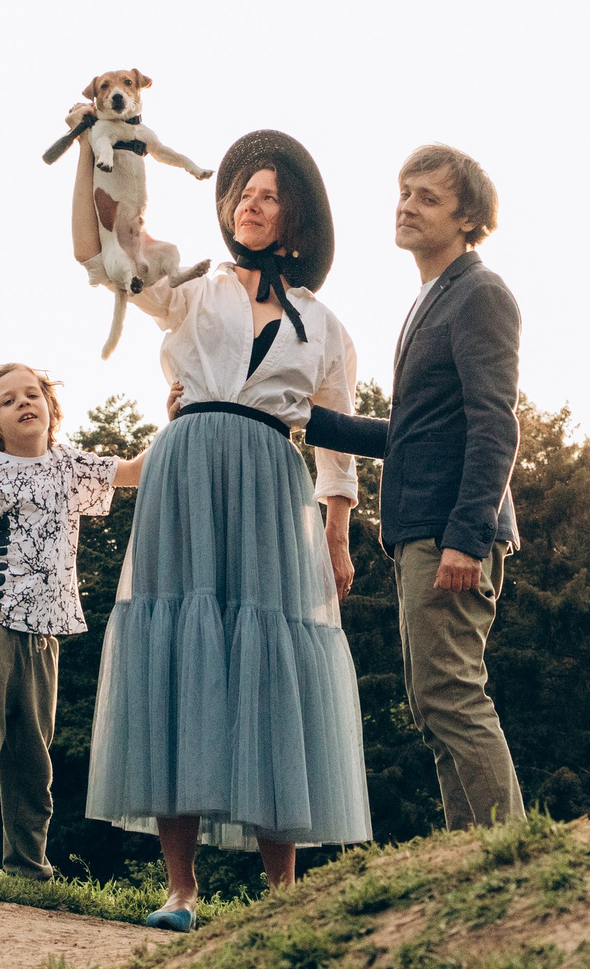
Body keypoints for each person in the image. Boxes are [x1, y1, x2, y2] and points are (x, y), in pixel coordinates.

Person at [74, 124, 370, 932]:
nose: (251, 203)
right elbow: (106, 254)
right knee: (178, 653)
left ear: (294, 221)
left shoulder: (325, 324)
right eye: (244, 192)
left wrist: (337, 535)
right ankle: (182, 890)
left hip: (273, 483)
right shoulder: (192, 286)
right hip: (186, 472)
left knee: (273, 664)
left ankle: (283, 893)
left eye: (269, 196)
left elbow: (337, 443)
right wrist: (98, 147)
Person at [306, 143, 525, 829]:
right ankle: (473, 858)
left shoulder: (481, 294)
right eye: (405, 192)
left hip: (450, 533)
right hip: (419, 533)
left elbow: (496, 424)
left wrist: (467, 536)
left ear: (469, 219)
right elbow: (411, 433)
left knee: (452, 697)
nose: (407, 205)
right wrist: (301, 417)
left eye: (428, 197)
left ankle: (510, 853)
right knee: (434, 706)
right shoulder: (431, 298)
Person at [0, 363, 146, 880]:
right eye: (9, 400)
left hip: (44, 632)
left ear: (50, 406)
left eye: (32, 394)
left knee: (33, 759)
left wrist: (181, 417)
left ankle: (28, 869)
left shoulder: (70, 465)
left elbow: (134, 471)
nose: (24, 404)